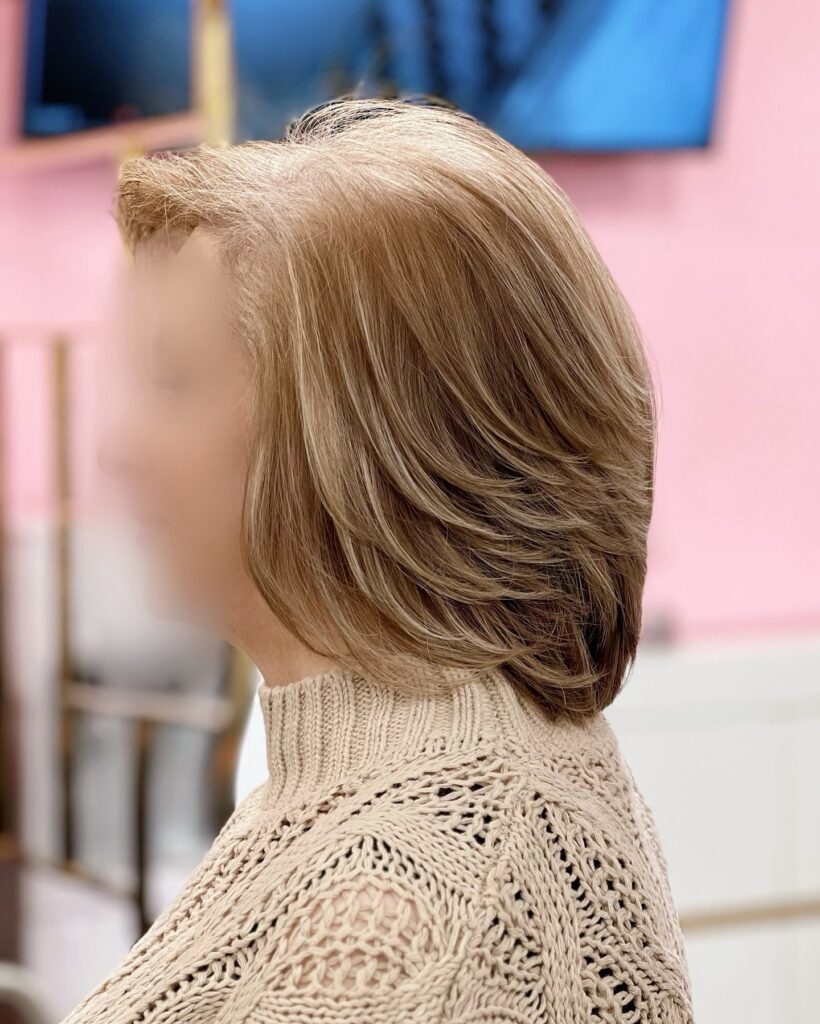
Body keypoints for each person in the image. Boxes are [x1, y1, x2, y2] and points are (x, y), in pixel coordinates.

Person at [68, 98, 692, 1023]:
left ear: (358, 437)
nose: (120, 449)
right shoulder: (393, 787)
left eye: (174, 381)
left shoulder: (391, 927)